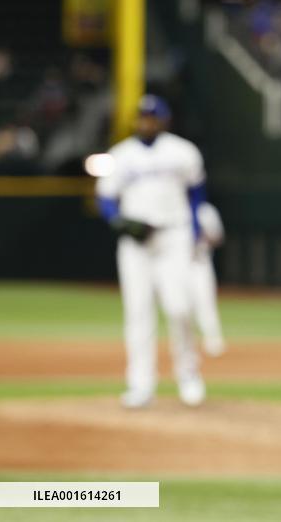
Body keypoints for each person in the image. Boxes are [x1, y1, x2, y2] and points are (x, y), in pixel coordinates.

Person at [96, 95, 209, 408]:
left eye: (152, 117)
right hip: (136, 244)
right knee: (138, 312)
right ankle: (141, 384)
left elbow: (197, 191)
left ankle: (188, 374)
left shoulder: (183, 151)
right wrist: (118, 220)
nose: (146, 121)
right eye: (142, 117)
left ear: (164, 120)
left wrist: (196, 228)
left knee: (179, 306)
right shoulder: (121, 155)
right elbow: (105, 198)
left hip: (174, 234)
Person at [191, 201, 226, 357]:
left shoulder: (205, 211)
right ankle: (187, 343)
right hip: (174, 265)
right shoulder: (168, 206)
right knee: (179, 305)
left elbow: (218, 237)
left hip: (200, 262)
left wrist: (202, 236)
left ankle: (213, 340)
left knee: (206, 301)